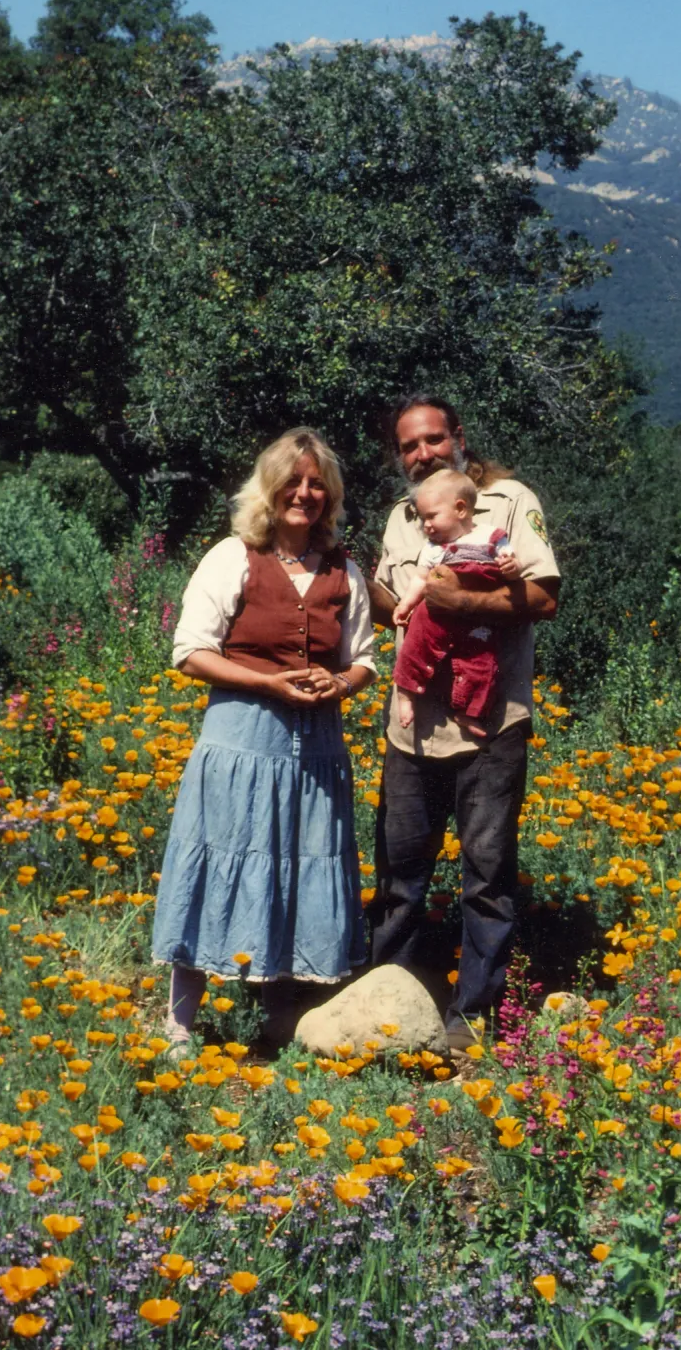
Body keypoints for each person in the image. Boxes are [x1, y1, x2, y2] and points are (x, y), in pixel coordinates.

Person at [152, 427, 376, 1048]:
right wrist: (271, 683)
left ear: (329, 497)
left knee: (299, 864)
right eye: (292, 481)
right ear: (268, 489)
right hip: (241, 740)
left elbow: (365, 658)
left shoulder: (344, 570)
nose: (304, 493)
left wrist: (343, 684)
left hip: (317, 746)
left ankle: (281, 1017)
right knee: (220, 854)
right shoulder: (232, 557)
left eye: (317, 484)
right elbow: (190, 653)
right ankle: (180, 1021)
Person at [368, 395, 559, 1054]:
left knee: (485, 872)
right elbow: (387, 594)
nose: (422, 453)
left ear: (458, 437)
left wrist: (457, 597)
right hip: (412, 728)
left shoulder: (506, 502)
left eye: (432, 439)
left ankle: (471, 1017)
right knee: (399, 871)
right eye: (409, 445)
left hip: (491, 724)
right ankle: (382, 1001)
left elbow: (543, 596)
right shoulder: (401, 518)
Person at [392, 468, 521, 737]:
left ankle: (469, 712)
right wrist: (405, 605)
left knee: (482, 662)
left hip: (476, 615)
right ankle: (406, 693)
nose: (425, 525)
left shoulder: (491, 537)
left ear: (461, 509)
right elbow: (419, 578)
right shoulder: (433, 548)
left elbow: (512, 564)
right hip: (436, 614)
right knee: (415, 645)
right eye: (422, 518)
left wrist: (511, 567)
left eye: (431, 516)